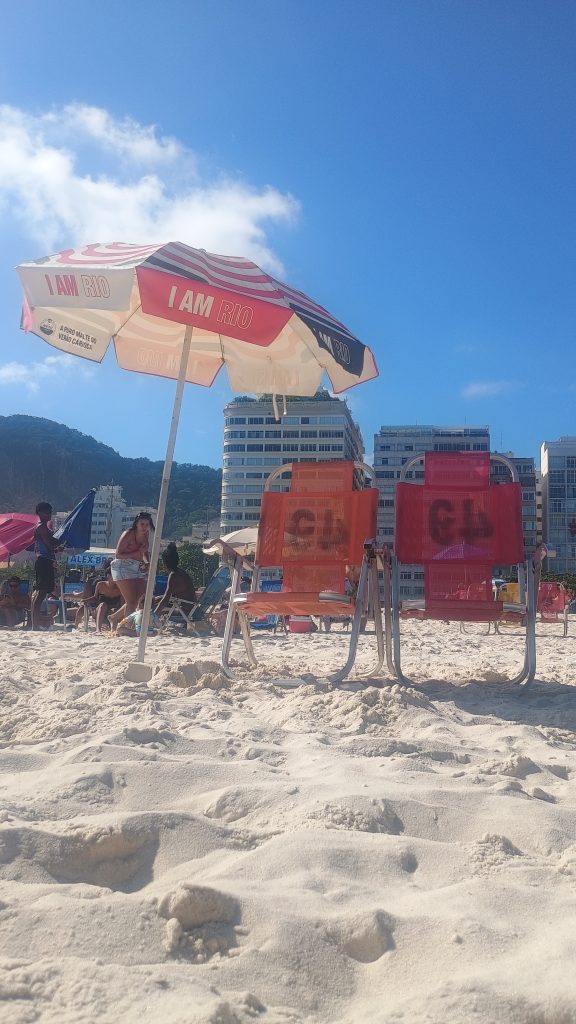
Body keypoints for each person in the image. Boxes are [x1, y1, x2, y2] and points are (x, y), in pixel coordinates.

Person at [109, 513, 154, 626]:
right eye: (142, 524)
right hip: (122, 566)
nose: (144, 527)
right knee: (131, 601)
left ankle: (114, 617)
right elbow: (118, 554)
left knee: (140, 598)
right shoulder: (129, 534)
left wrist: (147, 562)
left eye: (147, 524)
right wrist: (138, 552)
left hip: (137, 565)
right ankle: (127, 627)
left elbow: (144, 551)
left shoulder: (145, 534)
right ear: (136, 524)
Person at [30, 502, 63, 630]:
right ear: (39, 513)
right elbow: (50, 545)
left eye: (50, 512)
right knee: (41, 593)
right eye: (47, 512)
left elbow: (52, 545)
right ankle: (34, 625)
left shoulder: (44, 527)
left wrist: (58, 546)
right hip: (44, 561)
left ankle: (34, 624)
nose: (49, 514)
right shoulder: (42, 528)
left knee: (41, 592)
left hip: (45, 560)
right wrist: (60, 544)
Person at [154, 542, 197, 618]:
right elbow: (167, 596)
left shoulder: (173, 576)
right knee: (155, 603)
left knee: (158, 611)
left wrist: (153, 615)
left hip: (186, 611)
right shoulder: (181, 572)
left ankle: (148, 626)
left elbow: (165, 599)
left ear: (164, 563)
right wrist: (155, 600)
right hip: (191, 608)